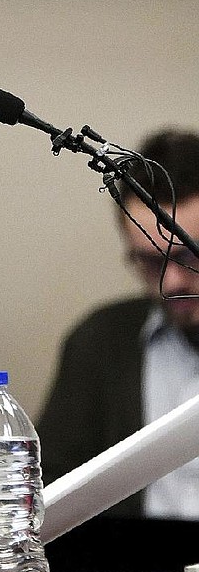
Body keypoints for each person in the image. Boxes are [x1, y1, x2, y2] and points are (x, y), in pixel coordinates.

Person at [37, 128, 199, 520]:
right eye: (149, 261)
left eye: (188, 255)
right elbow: (51, 493)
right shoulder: (99, 342)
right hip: (131, 571)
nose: (173, 282)